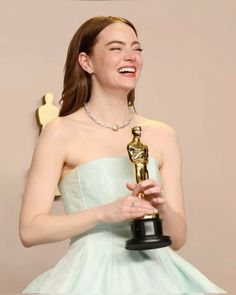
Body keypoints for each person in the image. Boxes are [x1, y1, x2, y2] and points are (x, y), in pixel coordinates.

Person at [19, 16, 226, 294]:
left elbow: (177, 239)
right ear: (86, 62)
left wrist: (161, 207)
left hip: (158, 275)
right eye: (116, 48)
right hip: (88, 276)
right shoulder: (60, 132)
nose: (130, 56)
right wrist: (104, 213)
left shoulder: (162, 134)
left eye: (136, 49)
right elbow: (30, 230)